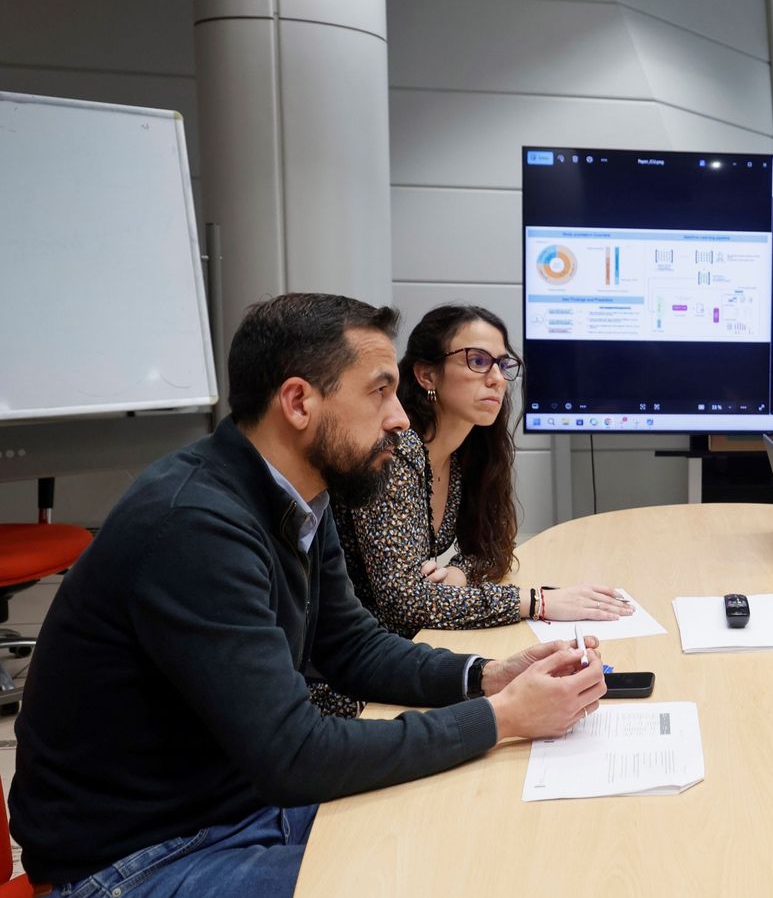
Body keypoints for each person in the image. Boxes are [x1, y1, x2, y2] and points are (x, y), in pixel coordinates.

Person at [9, 293, 607, 895]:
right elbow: (295, 753)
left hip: (237, 808)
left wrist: (488, 677)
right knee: (436, 876)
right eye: (379, 392)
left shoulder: (300, 494)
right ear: (298, 402)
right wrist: (500, 717)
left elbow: (352, 646)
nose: (400, 418)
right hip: (138, 858)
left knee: (475, 823)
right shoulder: (192, 526)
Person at [309, 304, 631, 718]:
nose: (496, 379)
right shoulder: (397, 454)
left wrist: (460, 573)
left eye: (502, 364)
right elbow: (403, 603)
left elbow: (493, 547)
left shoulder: (464, 455)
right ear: (426, 375)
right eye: (477, 362)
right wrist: (538, 602)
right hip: (363, 674)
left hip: (411, 651)